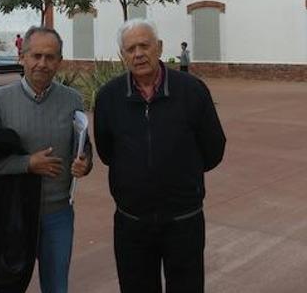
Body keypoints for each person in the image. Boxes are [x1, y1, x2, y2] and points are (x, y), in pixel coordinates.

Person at [94, 19, 226, 293]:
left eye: (145, 45)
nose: (138, 53)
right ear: (122, 55)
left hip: (183, 221)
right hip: (132, 223)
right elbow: (106, 152)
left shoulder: (192, 90)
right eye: (131, 48)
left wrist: (181, 176)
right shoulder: (108, 97)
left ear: (160, 48)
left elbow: (214, 149)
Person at [0, 26, 92, 293]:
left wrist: (84, 163)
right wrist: (27, 164)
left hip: (58, 214)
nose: (42, 63)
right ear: (22, 57)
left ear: (59, 61)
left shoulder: (72, 100)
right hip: (13, 212)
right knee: (6, 285)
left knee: (57, 286)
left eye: (50, 57)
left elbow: (83, 147)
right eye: (36, 55)